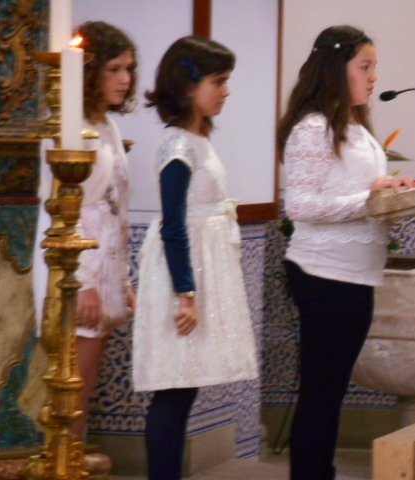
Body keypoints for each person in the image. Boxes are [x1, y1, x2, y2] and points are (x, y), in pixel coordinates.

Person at [277, 25, 413, 480]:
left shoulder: (355, 126)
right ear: (336, 69)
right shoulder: (312, 128)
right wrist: (370, 199)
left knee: (331, 392)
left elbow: (355, 189)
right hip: (324, 274)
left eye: (375, 67)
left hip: (354, 276)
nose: (374, 77)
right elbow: (300, 206)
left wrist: (388, 192)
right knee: (321, 393)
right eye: (365, 66)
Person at [132, 36, 258, 480]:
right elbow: (174, 223)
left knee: (184, 386)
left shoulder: (197, 138)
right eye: (218, 81)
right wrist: (185, 293)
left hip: (198, 269)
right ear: (188, 85)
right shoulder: (176, 145)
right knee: (173, 388)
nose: (226, 90)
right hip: (179, 275)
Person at [34, 21, 138, 439]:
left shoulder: (108, 125)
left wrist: (123, 280)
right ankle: (63, 459)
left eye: (129, 69)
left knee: (86, 383)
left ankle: (72, 459)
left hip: (105, 262)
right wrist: (85, 282)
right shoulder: (66, 124)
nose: (125, 79)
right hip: (78, 267)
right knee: (72, 384)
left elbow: (116, 204)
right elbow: (61, 205)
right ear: (89, 73)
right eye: (114, 69)